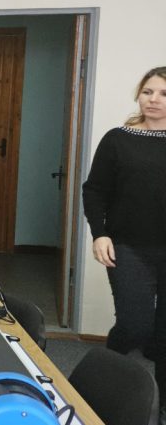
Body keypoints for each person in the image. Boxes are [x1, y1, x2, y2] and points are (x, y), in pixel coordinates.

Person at [83, 66, 166, 405]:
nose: (154, 99)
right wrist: (99, 234)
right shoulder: (117, 139)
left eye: (163, 94)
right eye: (148, 91)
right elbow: (95, 190)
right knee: (135, 326)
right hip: (129, 248)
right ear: (139, 95)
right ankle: (102, 382)